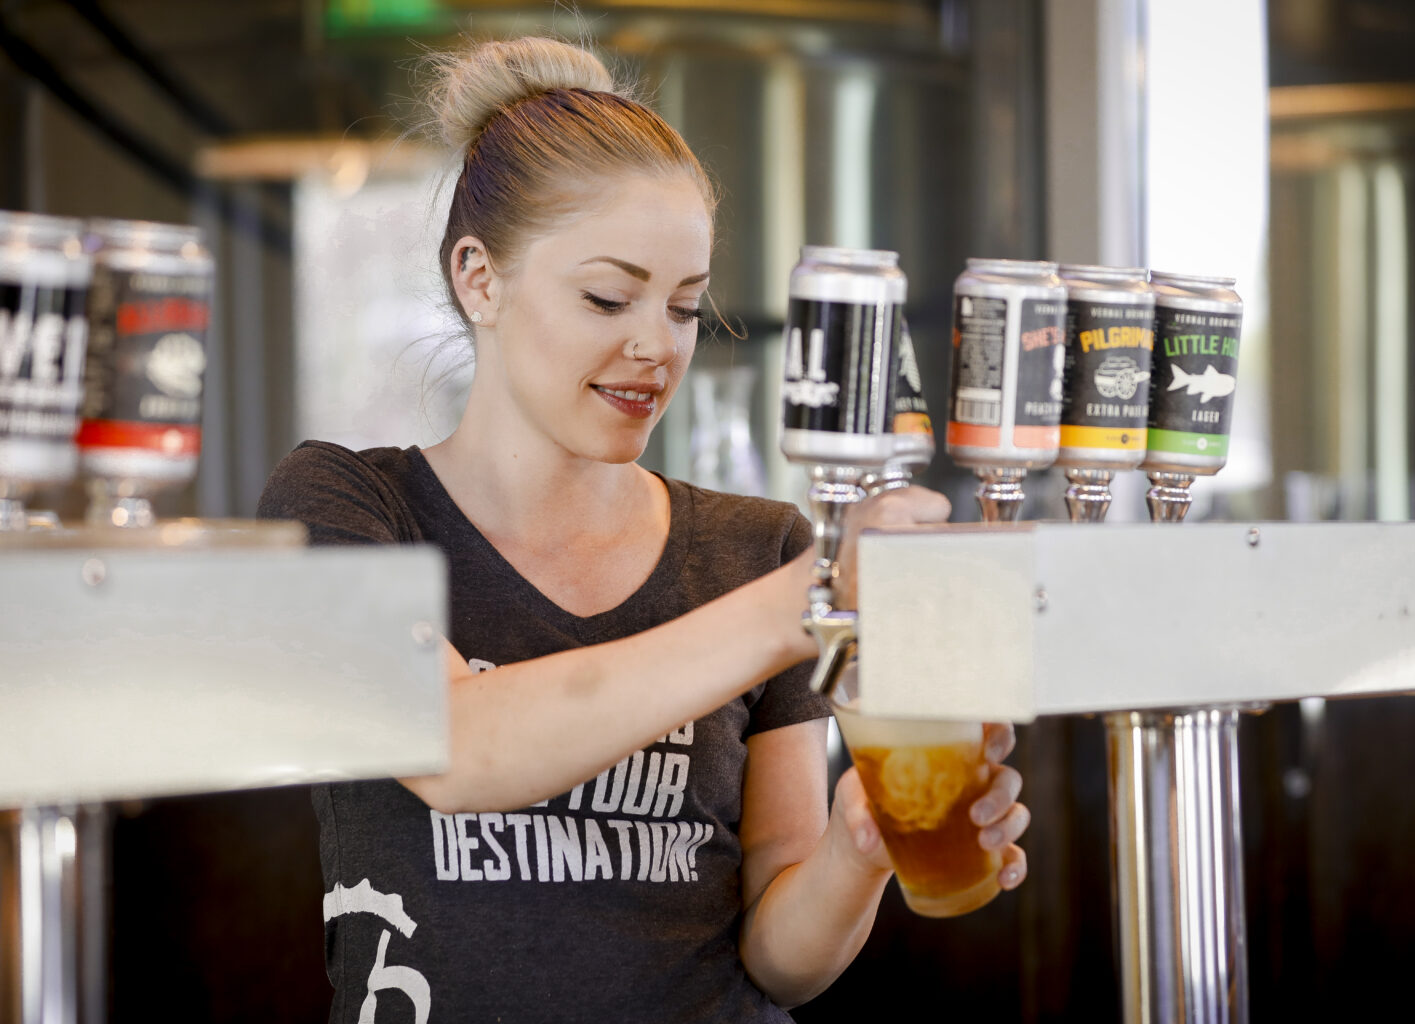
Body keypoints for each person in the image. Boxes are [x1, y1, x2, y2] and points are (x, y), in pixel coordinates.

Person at [257, 35, 1029, 1023]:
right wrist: (810, 602)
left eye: (684, 308)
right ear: (478, 278)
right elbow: (457, 747)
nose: (655, 347)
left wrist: (855, 852)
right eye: (608, 297)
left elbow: (780, 956)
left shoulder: (760, 548)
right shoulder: (347, 506)